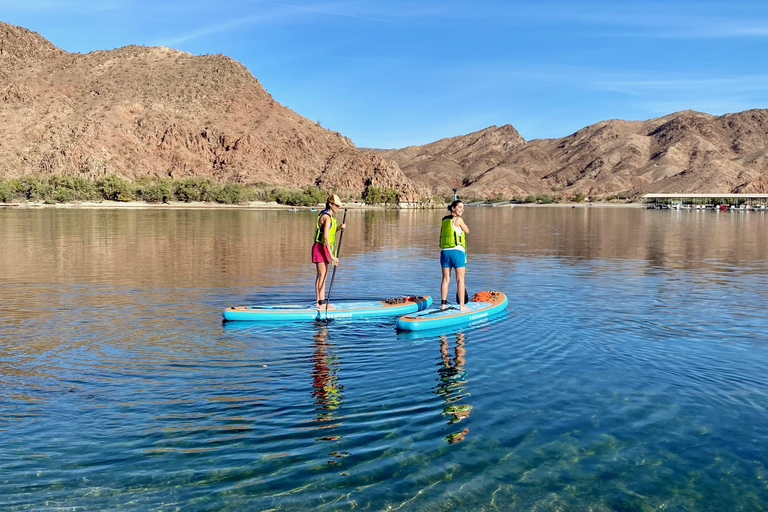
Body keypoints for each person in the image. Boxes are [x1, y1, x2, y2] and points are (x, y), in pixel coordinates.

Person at [312, 194, 345, 309]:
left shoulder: (330, 217)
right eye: (336, 205)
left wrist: (340, 227)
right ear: (330, 204)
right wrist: (332, 256)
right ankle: (320, 303)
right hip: (321, 247)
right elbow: (325, 237)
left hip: (324, 247)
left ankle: (319, 302)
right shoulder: (326, 217)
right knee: (322, 275)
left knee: (323, 275)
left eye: (338, 206)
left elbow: (330, 233)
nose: (338, 207)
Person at [439, 200, 469, 311]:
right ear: (453, 208)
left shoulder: (444, 220)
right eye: (460, 207)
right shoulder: (459, 219)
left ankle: (443, 305)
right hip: (457, 252)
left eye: (463, 208)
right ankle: (462, 305)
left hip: (444, 253)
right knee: (460, 279)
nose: (462, 209)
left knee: (445, 279)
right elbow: (467, 230)